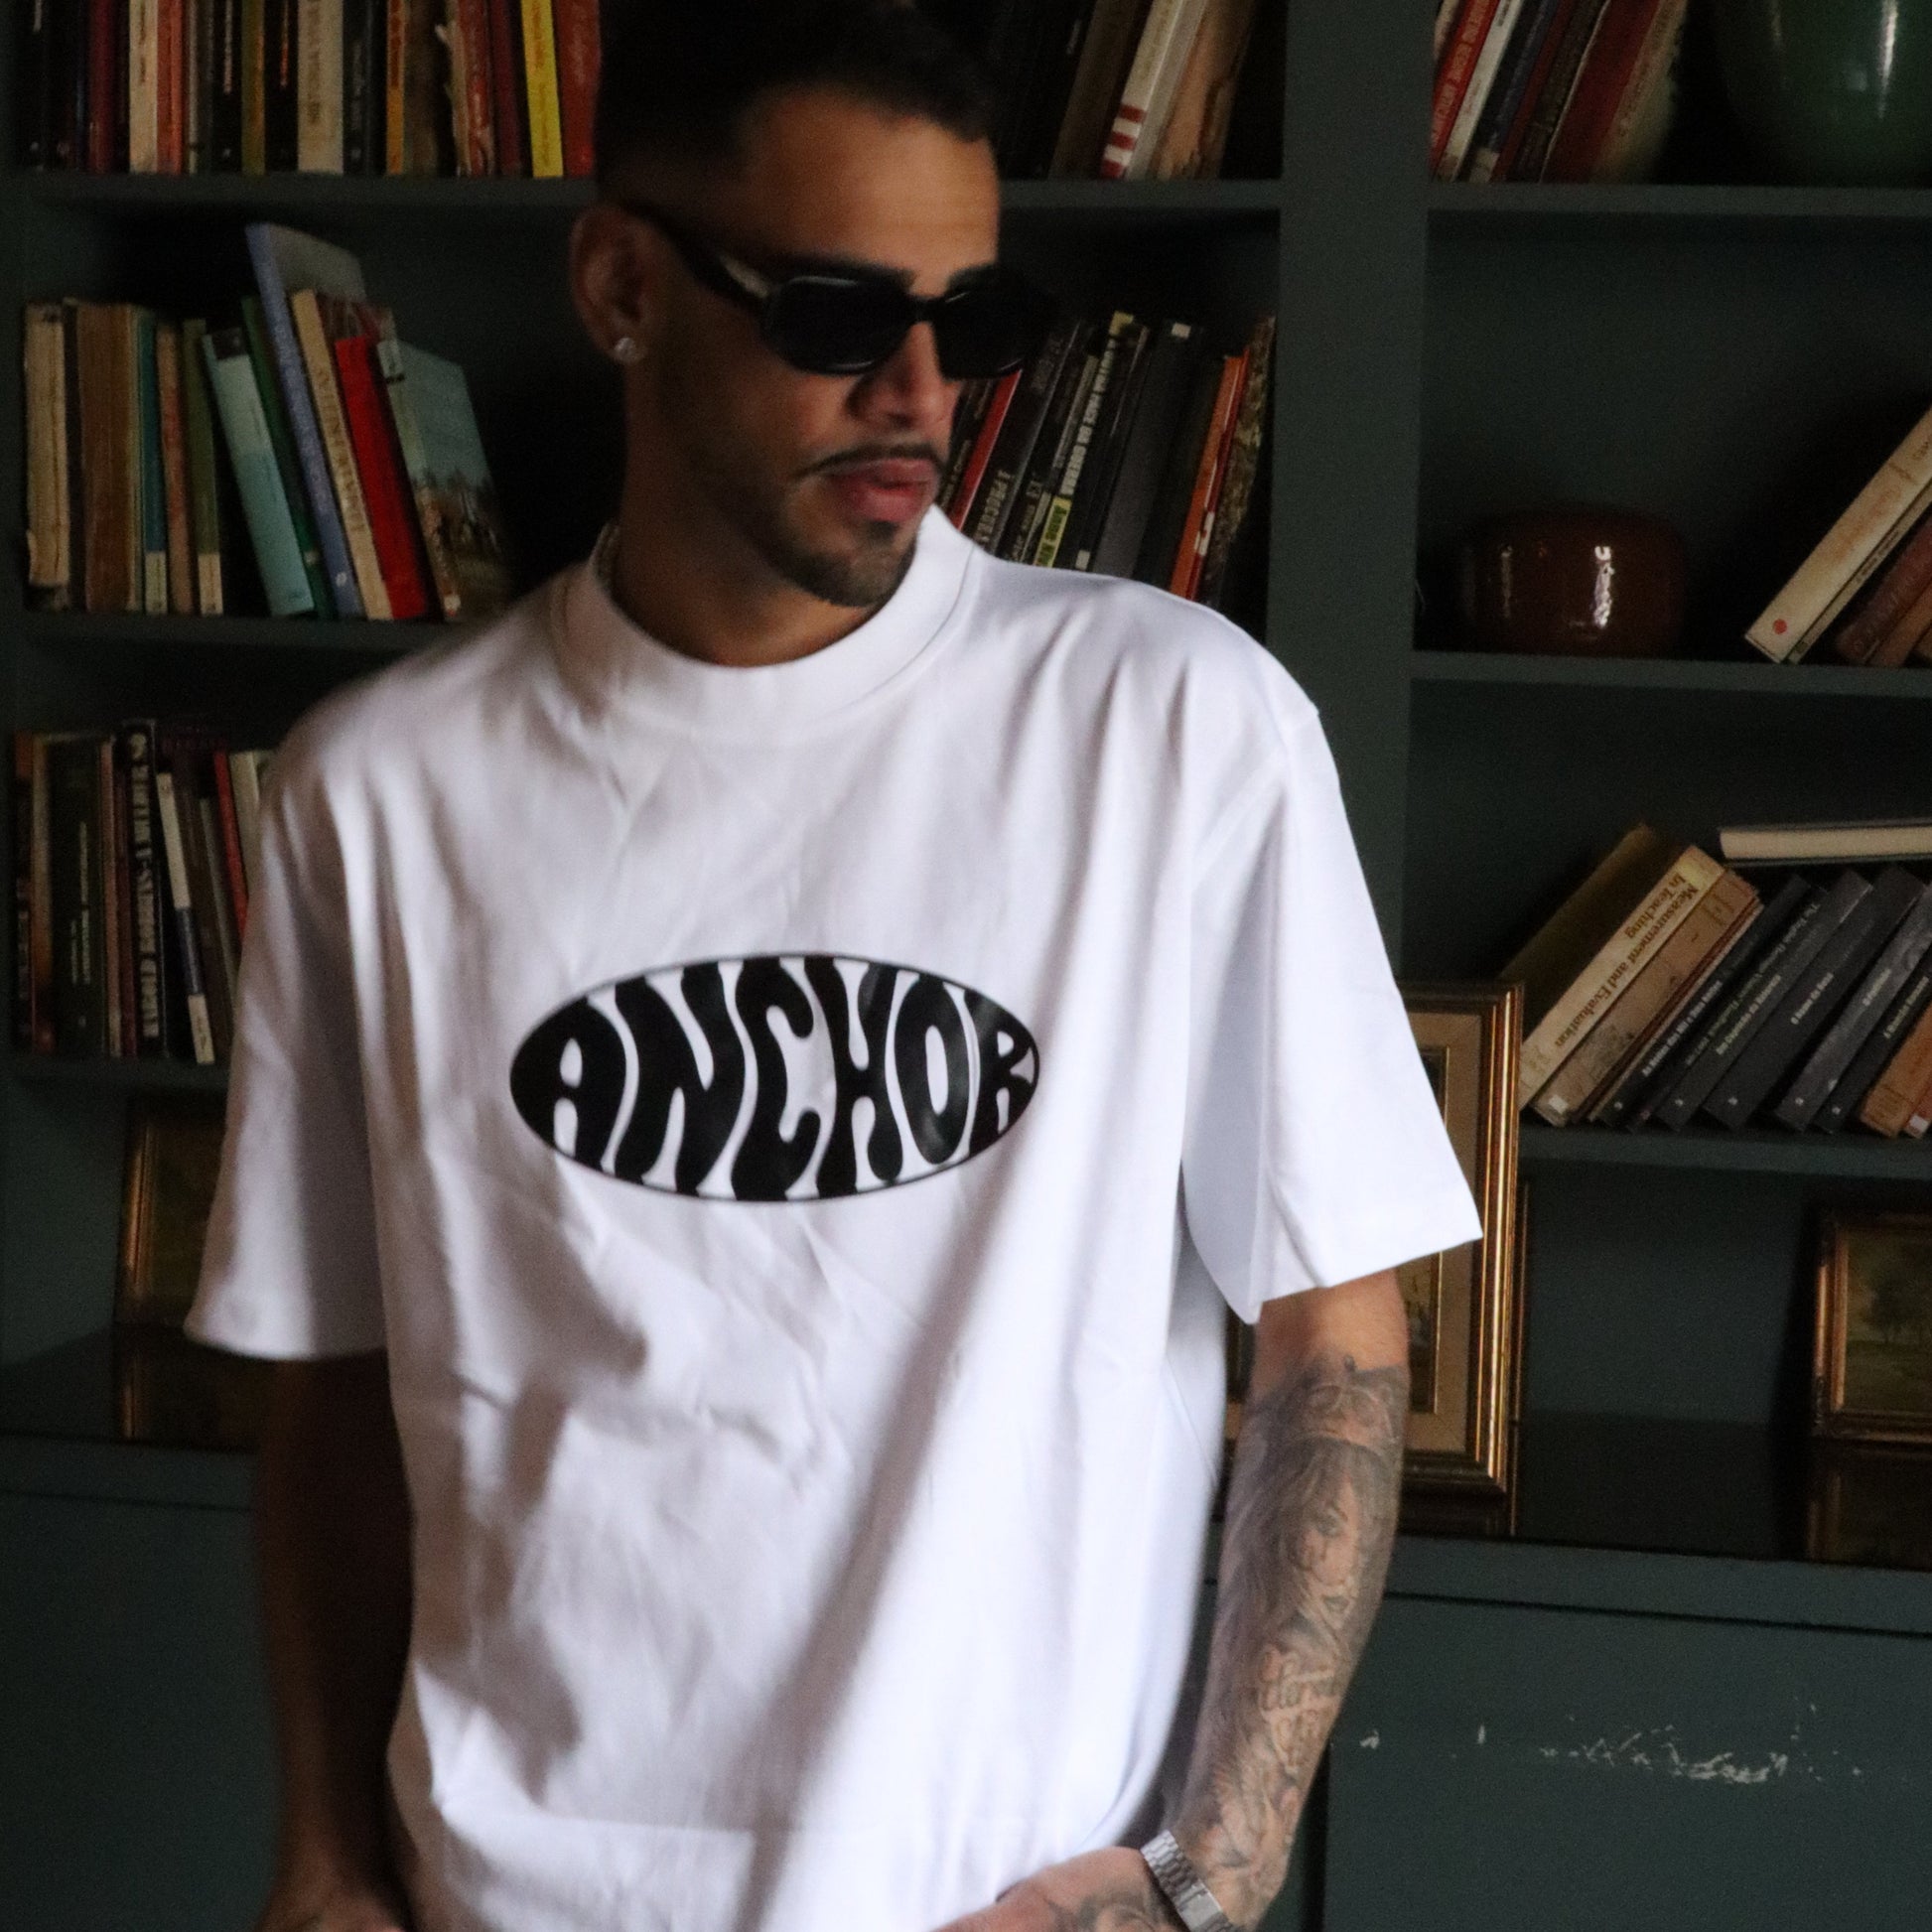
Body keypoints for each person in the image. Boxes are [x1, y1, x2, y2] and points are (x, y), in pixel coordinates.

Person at [186, 4, 1482, 1930]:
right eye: (835, 313)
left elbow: (1332, 1338)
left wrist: (1212, 1870)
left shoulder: (1174, 728)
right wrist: (320, 1852)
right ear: (622, 286)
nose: (920, 390)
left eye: (973, 317)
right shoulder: (375, 794)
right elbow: (333, 1386)